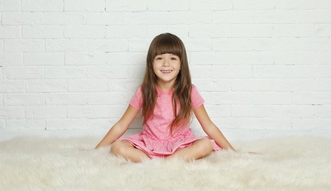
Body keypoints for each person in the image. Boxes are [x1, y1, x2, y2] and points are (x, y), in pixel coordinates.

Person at [95, 33, 235, 162]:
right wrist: (96, 150)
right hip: (150, 144)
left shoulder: (189, 91)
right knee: (118, 147)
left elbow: (209, 126)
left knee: (205, 145)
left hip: (180, 145)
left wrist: (233, 152)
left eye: (173, 58)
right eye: (160, 58)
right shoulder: (144, 90)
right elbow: (121, 125)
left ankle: (164, 162)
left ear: (181, 64)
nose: (166, 64)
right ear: (151, 63)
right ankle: (156, 162)